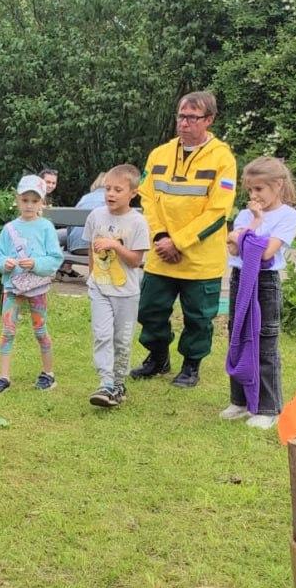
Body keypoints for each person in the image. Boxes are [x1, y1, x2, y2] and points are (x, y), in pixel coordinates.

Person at [131, 91, 238, 388]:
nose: (184, 123)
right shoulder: (159, 153)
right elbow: (147, 198)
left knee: (198, 318)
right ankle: (158, 357)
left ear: (209, 120)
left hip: (200, 259)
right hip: (161, 254)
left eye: (193, 117)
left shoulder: (223, 159)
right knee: (149, 310)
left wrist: (179, 242)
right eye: (181, 116)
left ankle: (191, 366)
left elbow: (219, 211)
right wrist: (162, 236)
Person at [222, 157, 296, 429]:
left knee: (264, 341)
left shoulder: (288, 216)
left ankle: (268, 407)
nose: (254, 196)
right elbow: (233, 248)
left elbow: (266, 253)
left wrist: (245, 238)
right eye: (251, 190)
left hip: (265, 282)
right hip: (240, 277)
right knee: (237, 335)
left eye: (260, 189)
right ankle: (240, 401)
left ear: (278, 185)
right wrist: (253, 227)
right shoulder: (246, 215)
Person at [0, 175, 64, 395]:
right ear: (17, 200)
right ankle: (3, 377)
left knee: (40, 329)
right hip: (13, 288)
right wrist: (5, 264)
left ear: (42, 203)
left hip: (37, 289)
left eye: (34, 200)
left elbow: (55, 258)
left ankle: (48, 373)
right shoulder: (9, 228)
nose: (29, 205)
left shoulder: (46, 227)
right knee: (8, 330)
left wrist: (36, 263)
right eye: (25, 199)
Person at [82, 165, 151, 408]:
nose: (110, 194)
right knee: (102, 335)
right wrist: (93, 279)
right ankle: (106, 383)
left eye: (118, 189)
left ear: (133, 192)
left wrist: (115, 245)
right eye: (108, 188)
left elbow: (135, 260)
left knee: (121, 340)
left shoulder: (138, 222)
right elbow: (91, 250)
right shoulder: (95, 216)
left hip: (126, 293)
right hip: (100, 288)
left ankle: (119, 383)